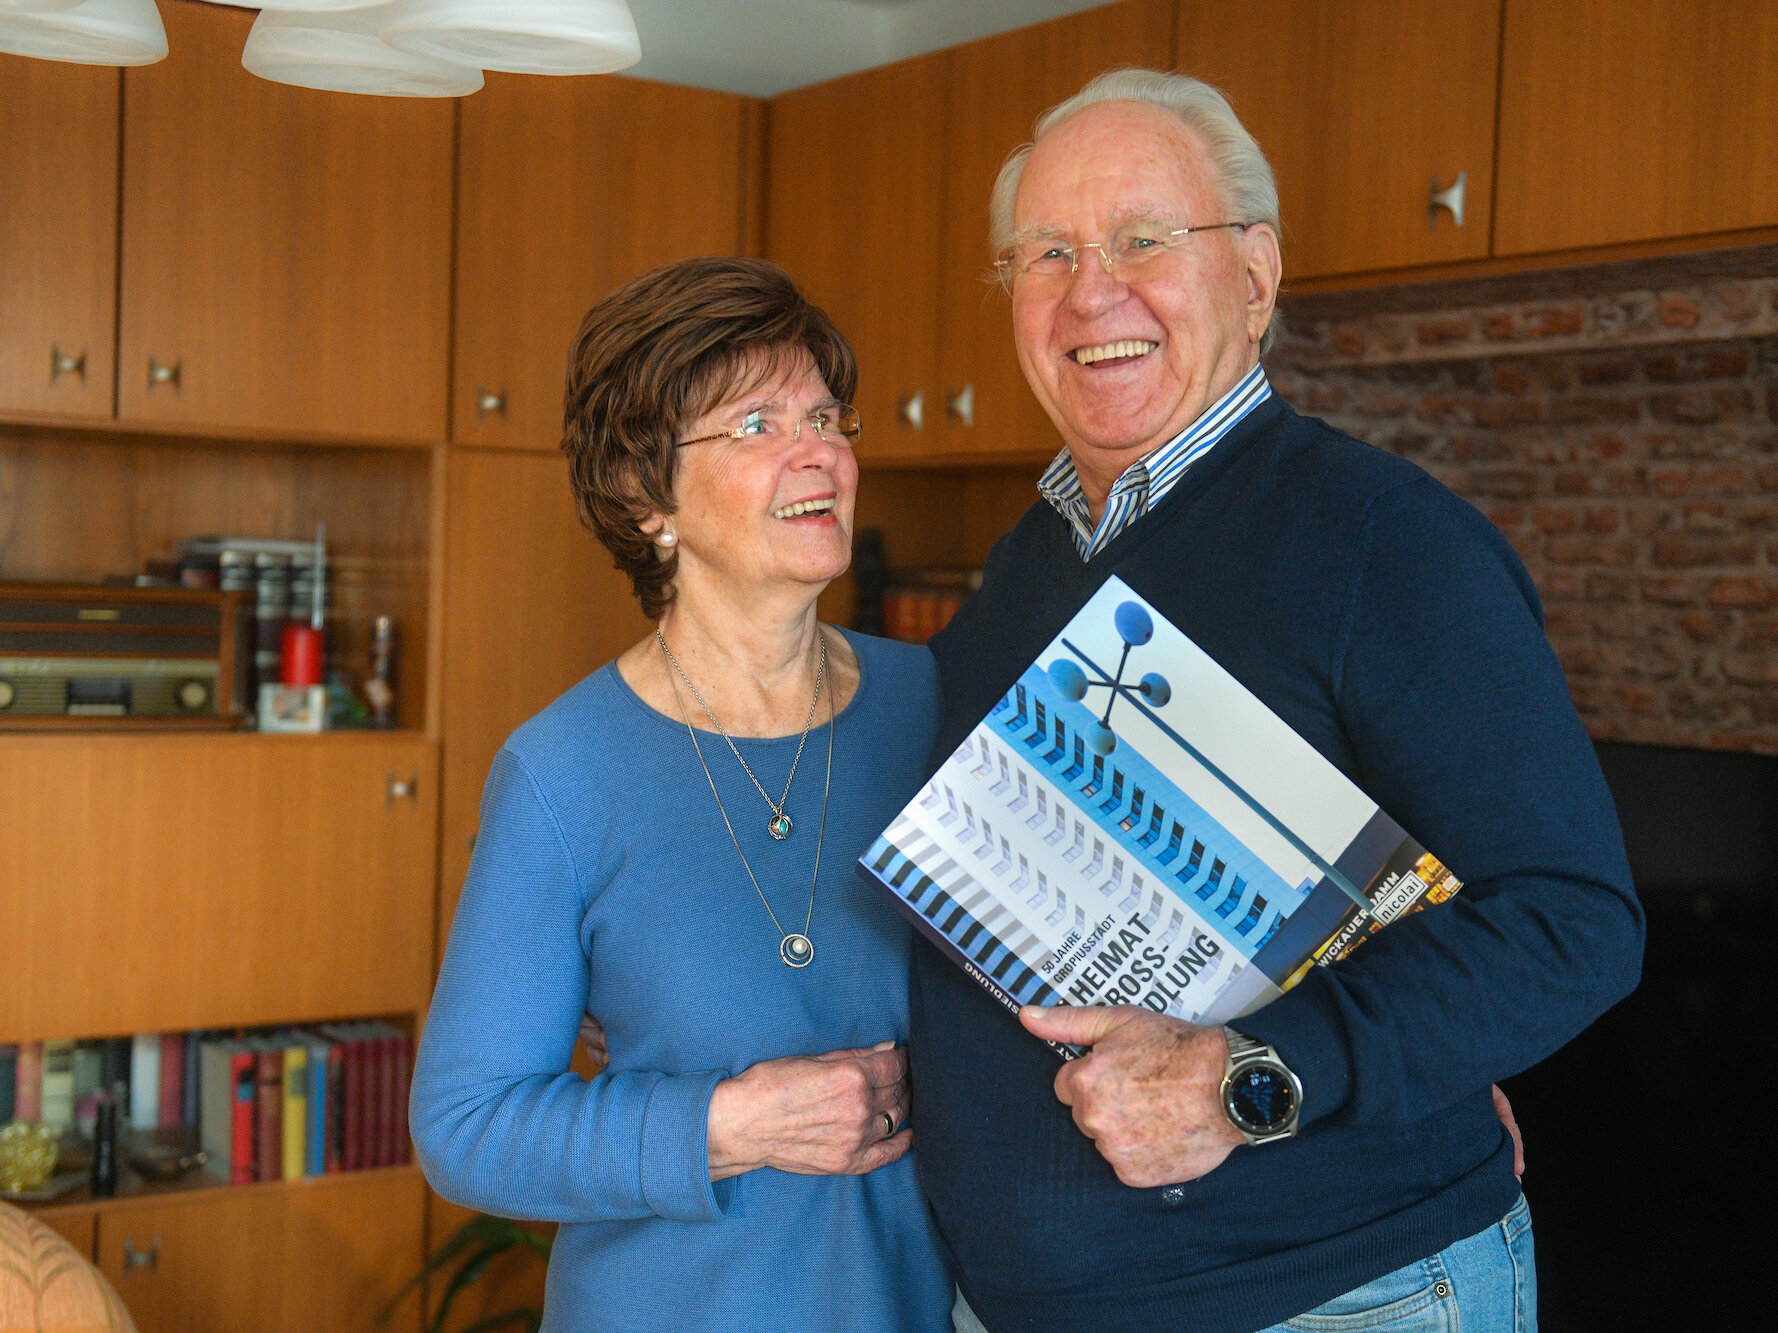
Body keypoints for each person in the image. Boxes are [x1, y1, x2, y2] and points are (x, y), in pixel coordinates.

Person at [911, 69, 1644, 1333]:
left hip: (1336, 1299)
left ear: (1252, 277)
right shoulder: (1027, 565)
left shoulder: (1385, 545)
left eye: (1143, 238)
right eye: (1045, 251)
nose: (1092, 289)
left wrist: (1251, 1075)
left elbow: (1571, 922)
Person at [410, 257, 953, 1333]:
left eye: (825, 415)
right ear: (640, 492)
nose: (818, 453)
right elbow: (467, 1126)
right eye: (755, 424)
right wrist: (733, 1119)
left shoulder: (933, 702)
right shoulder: (561, 770)